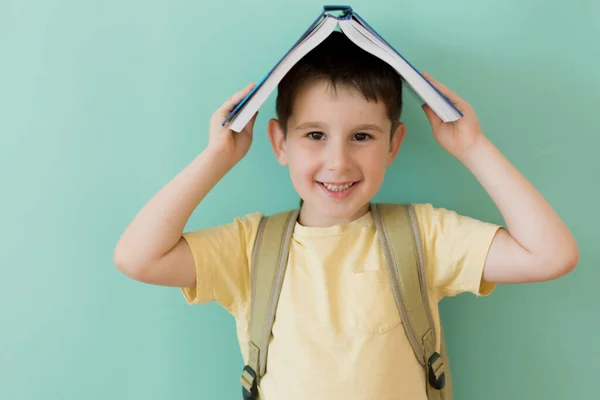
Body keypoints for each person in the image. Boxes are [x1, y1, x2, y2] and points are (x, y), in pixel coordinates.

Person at [113, 32, 578, 399]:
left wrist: (473, 147)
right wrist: (218, 155)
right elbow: (138, 258)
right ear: (279, 142)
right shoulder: (249, 247)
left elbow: (550, 256)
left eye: (362, 136)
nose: (338, 162)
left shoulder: (424, 235)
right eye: (315, 135)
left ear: (394, 144)